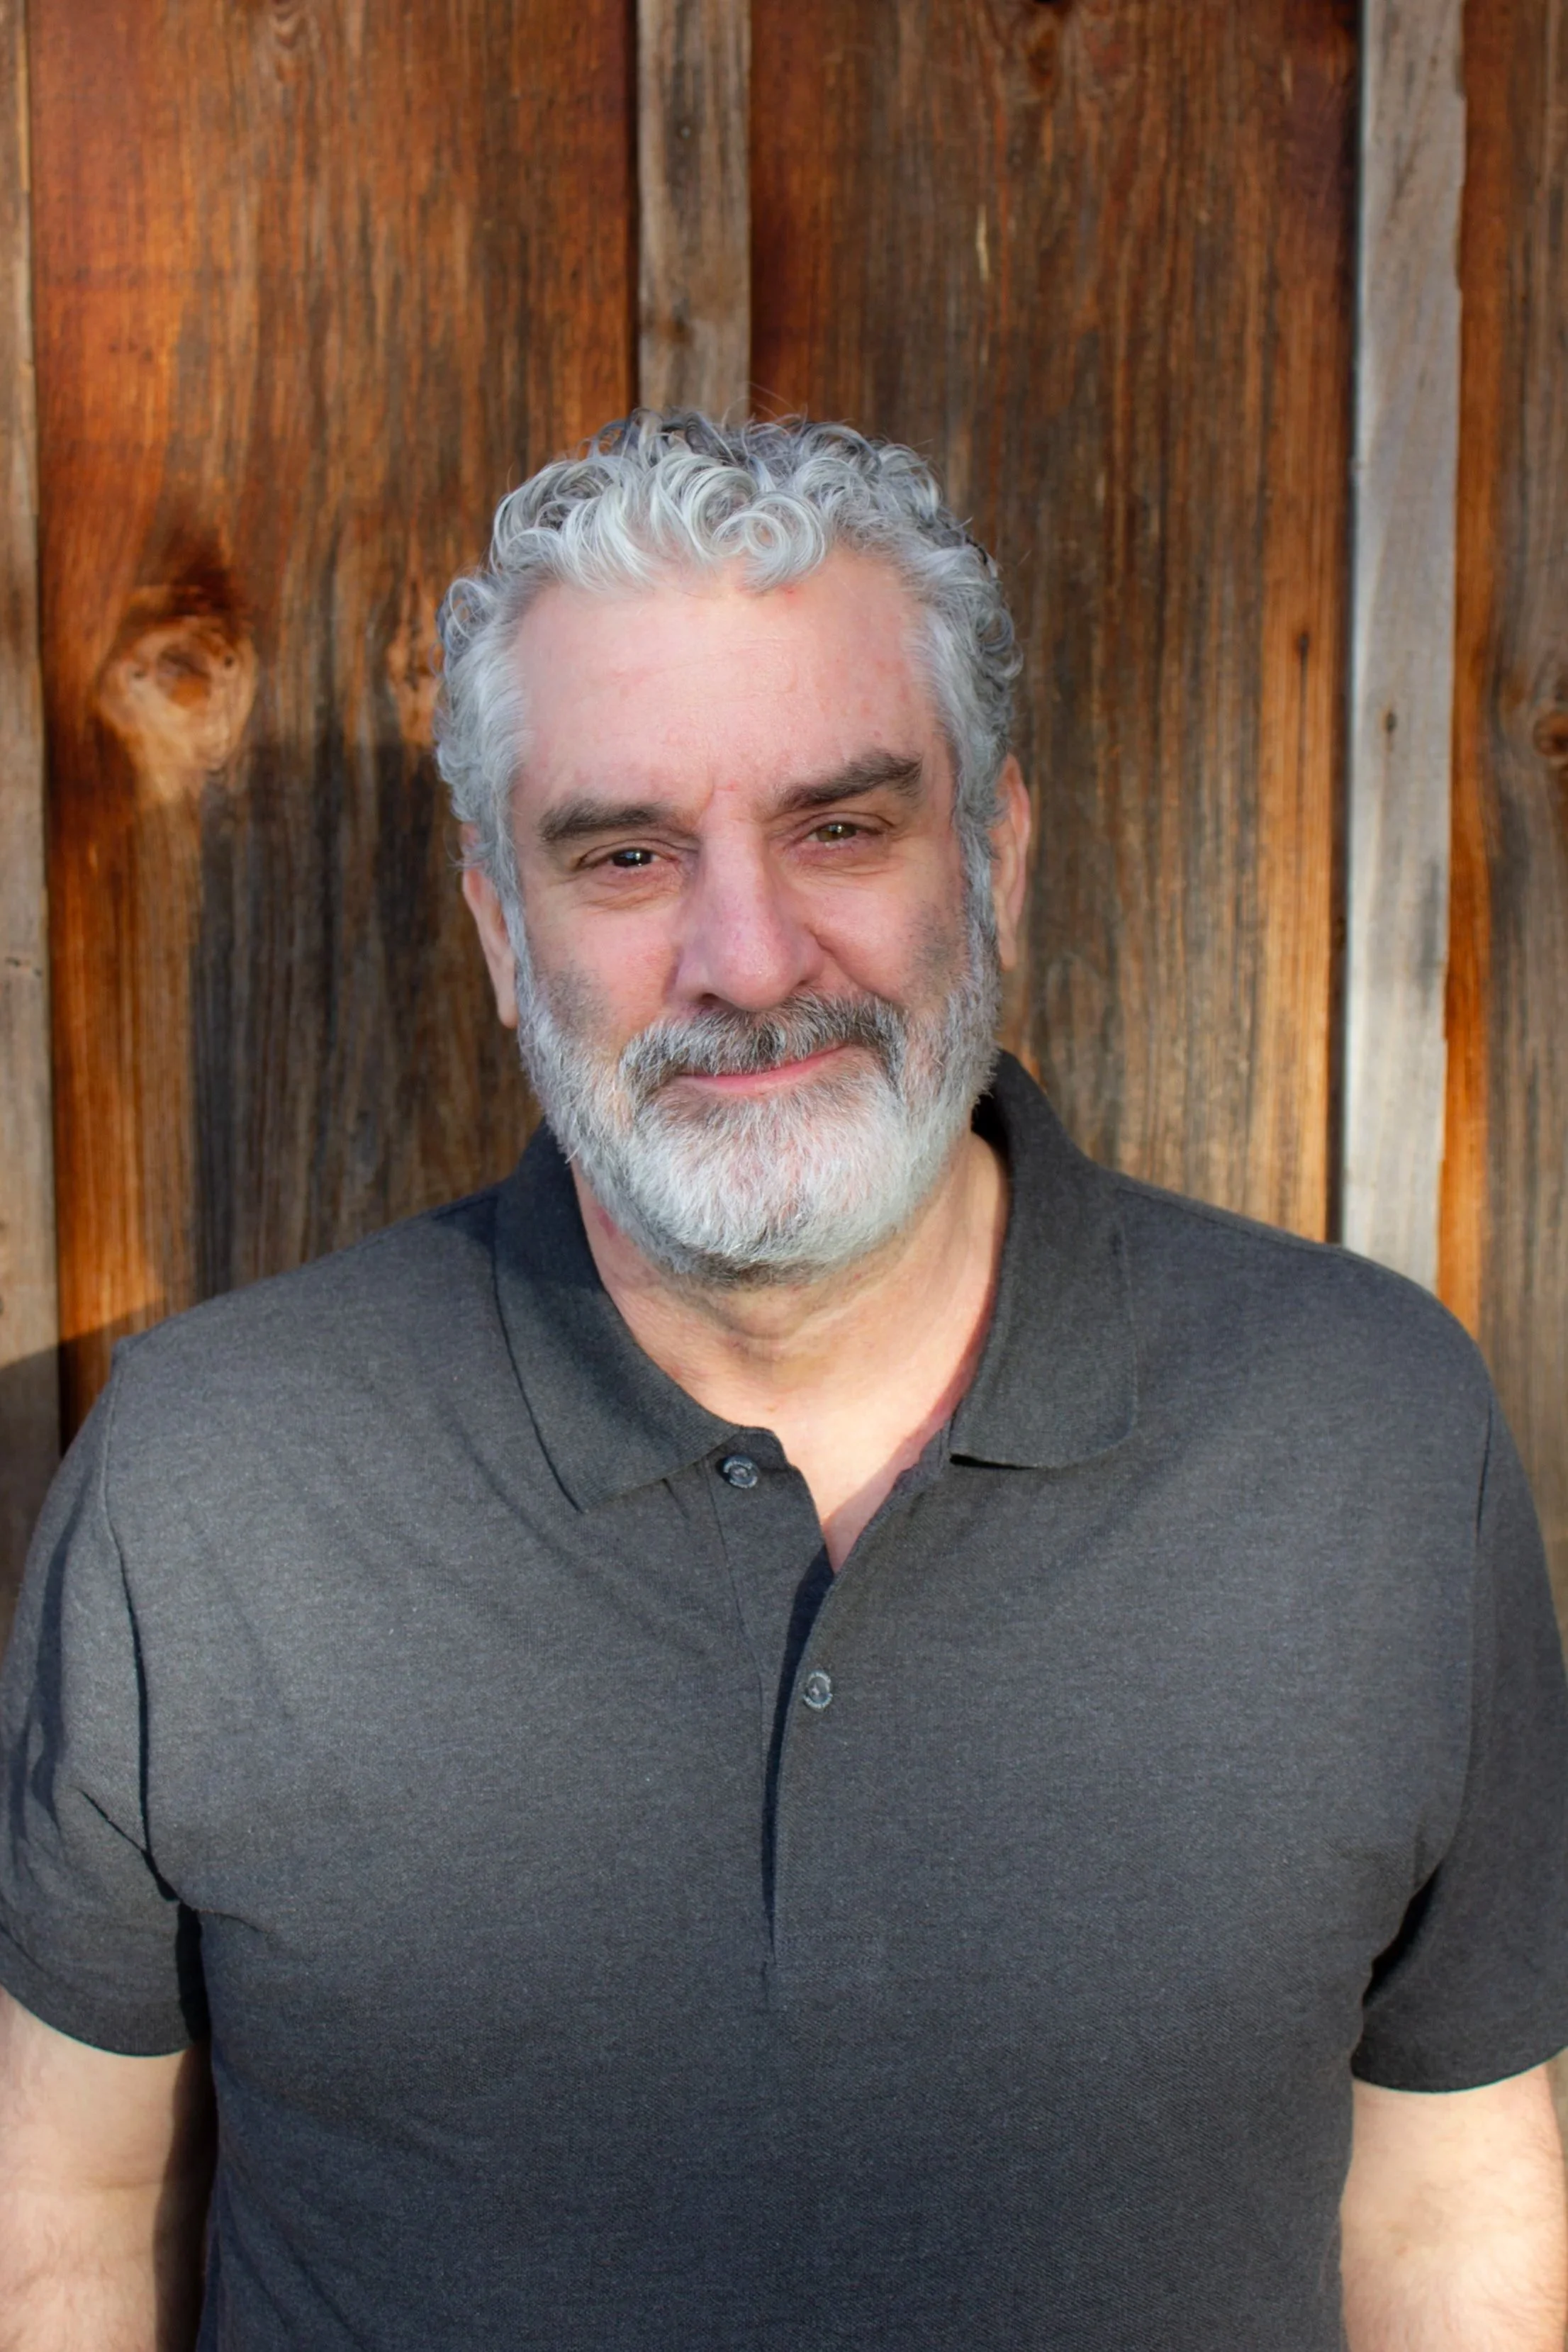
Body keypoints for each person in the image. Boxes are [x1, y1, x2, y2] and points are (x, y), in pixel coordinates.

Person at [1, 413, 1566, 2352]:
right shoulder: (210, 1487)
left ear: (988, 855)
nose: (743, 957)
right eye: (626, 852)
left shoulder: (1366, 1441)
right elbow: (59, 2210)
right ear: (502, 927)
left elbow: (1450, 2198)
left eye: (840, 825)